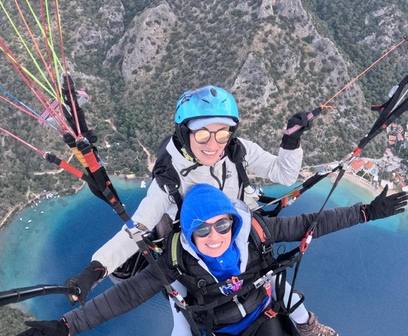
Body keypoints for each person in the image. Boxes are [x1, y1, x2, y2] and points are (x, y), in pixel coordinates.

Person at [64, 85, 333, 336]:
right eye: (203, 134)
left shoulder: (237, 152)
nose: (213, 144)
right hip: (190, 259)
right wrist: (95, 270)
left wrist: (290, 142)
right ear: (185, 132)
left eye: (222, 133)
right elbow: (138, 228)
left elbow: (284, 174)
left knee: (274, 281)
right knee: (183, 324)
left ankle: (308, 326)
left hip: (237, 240)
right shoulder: (169, 179)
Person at [18, 183, 408, 336]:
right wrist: (65, 327)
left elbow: (312, 222)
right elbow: (125, 297)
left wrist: (365, 212)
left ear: (232, 220)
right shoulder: (176, 262)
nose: (214, 237)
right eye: (201, 231)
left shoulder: (255, 232)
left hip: (263, 314)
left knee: (288, 303)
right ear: (188, 235)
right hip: (214, 326)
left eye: (222, 226)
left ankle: (311, 329)